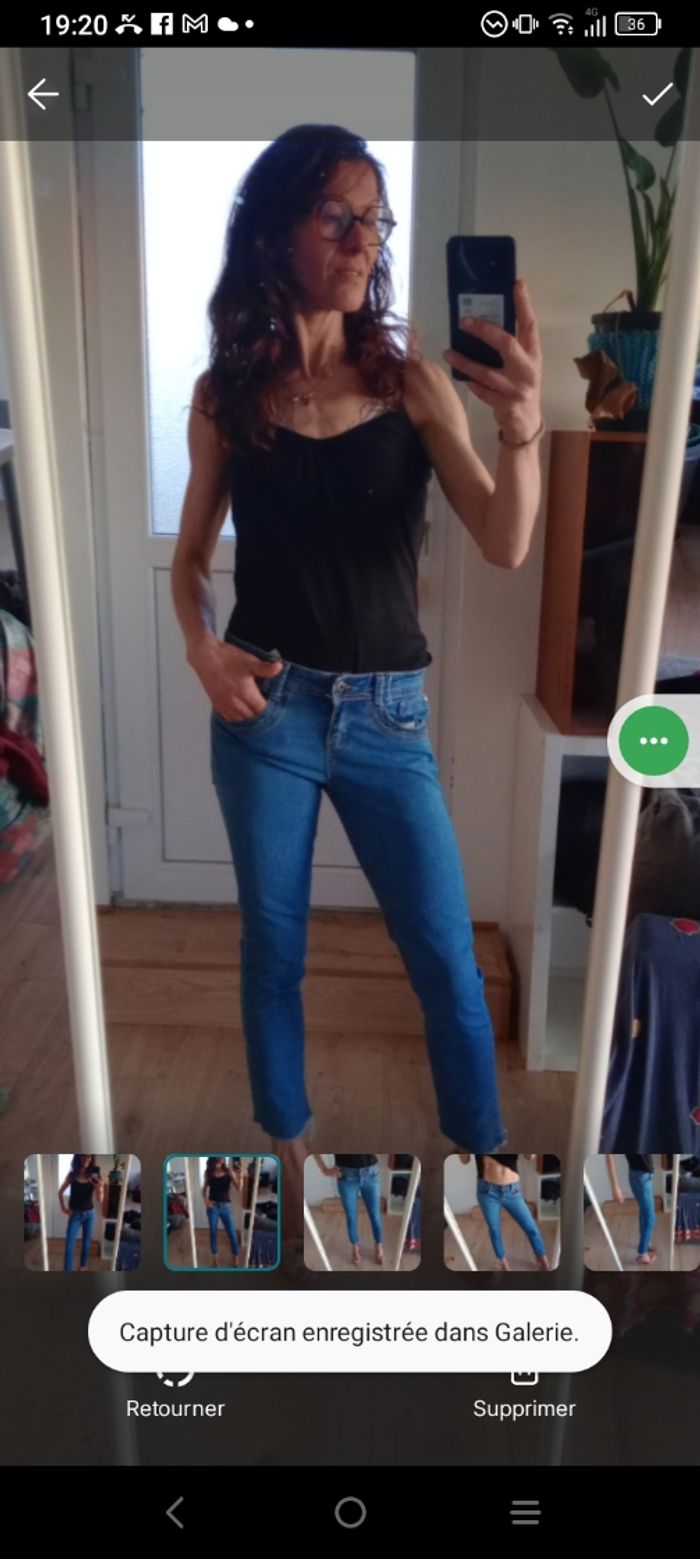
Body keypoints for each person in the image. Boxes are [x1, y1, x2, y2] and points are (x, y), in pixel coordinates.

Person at [171, 125, 544, 1256]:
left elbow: (504, 541)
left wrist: (522, 429)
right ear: (274, 229)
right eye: (336, 214)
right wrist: (201, 648)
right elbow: (189, 562)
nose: (361, 238)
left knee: (445, 957)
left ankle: (486, 1162)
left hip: (387, 714)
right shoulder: (227, 395)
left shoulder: (412, 379)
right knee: (273, 951)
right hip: (266, 711)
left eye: (372, 219)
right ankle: (295, 1167)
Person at [461, 1152, 549, 1271]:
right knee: (494, 1230)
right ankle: (503, 1263)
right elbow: (464, 1160)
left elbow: (530, 1157)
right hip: (487, 1192)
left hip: (512, 1191)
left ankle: (541, 1257)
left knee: (531, 1228)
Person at [315, 1154, 384, 1266]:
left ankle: (379, 1244)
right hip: (346, 1176)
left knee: (375, 1215)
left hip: (371, 1172)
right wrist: (324, 1169)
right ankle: (355, 1246)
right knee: (351, 1216)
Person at [605, 1154, 657, 1265]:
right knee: (650, 1218)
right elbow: (609, 1155)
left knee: (645, 1212)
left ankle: (646, 1243)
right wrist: (615, 1187)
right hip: (640, 1177)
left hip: (646, 1174)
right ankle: (643, 1254)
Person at [58, 1155, 103, 1272]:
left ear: (92, 1158)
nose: (87, 1159)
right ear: (78, 1157)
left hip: (90, 1215)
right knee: (69, 1246)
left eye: (89, 1157)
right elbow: (60, 1192)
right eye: (84, 1156)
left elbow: (100, 1199)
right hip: (75, 1215)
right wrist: (64, 1209)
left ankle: (82, 1267)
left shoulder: (94, 1175)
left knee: (86, 1244)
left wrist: (99, 1189)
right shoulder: (72, 1175)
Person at [203, 1156, 241, 1267]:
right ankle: (215, 1258)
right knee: (213, 1233)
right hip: (213, 1207)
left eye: (222, 1159)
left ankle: (235, 1257)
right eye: (218, 1160)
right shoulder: (208, 1173)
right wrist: (206, 1201)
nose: (221, 1161)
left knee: (232, 1233)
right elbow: (204, 1189)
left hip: (226, 1207)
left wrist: (240, 1176)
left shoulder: (229, 1171)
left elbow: (239, 1188)